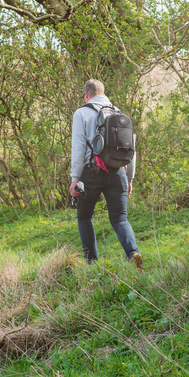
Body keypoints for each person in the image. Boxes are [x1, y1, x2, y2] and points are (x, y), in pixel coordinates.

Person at [69, 79, 143, 269]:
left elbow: (78, 149)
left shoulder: (81, 113)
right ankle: (133, 252)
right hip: (118, 171)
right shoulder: (120, 114)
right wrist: (129, 179)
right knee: (120, 218)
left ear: (86, 94)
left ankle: (92, 264)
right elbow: (131, 150)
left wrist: (75, 179)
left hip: (91, 173)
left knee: (85, 217)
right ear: (103, 93)